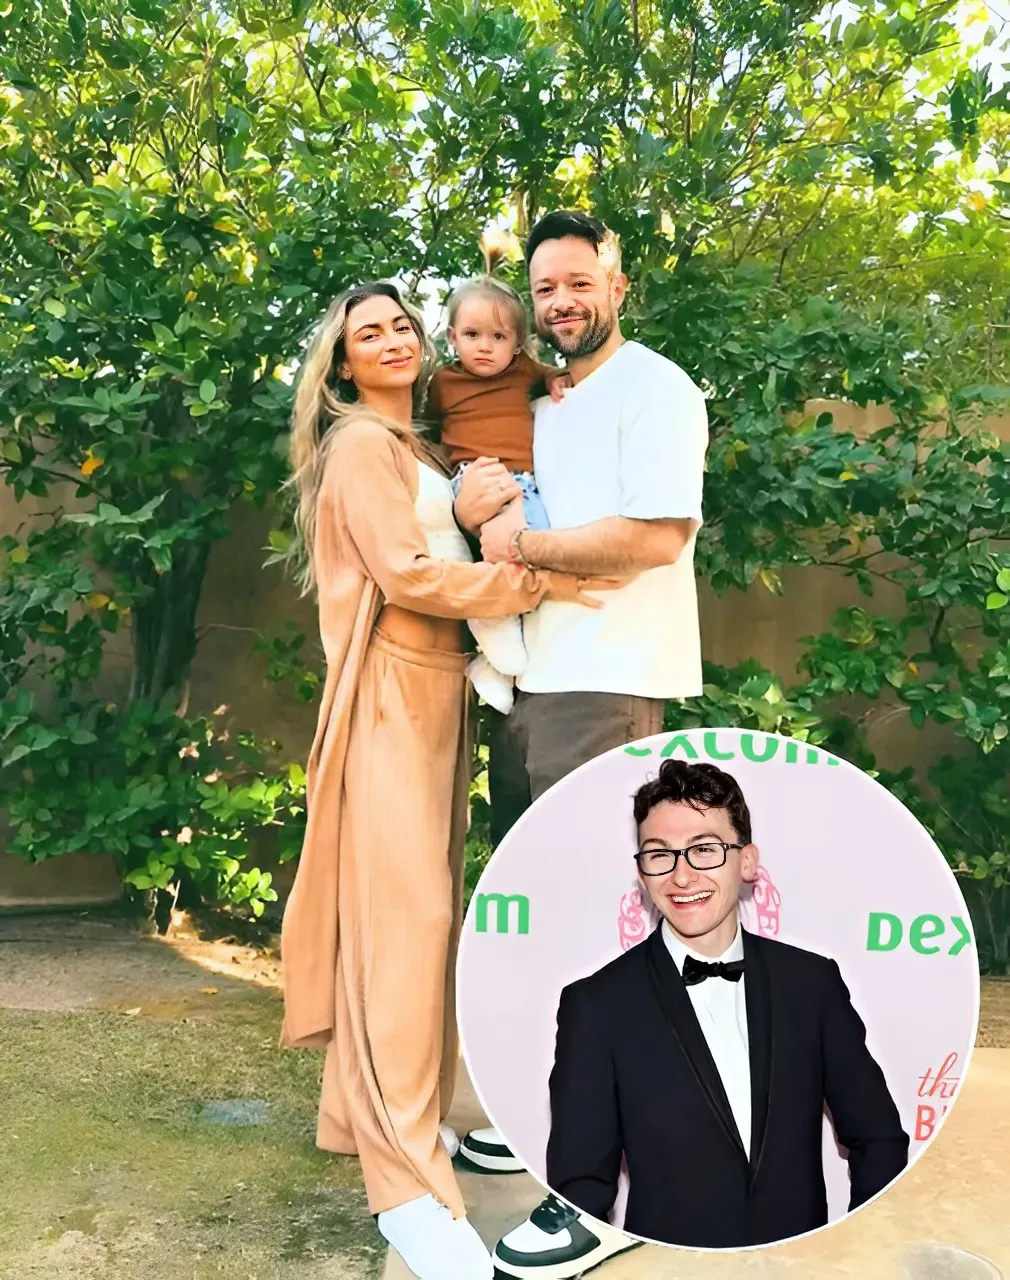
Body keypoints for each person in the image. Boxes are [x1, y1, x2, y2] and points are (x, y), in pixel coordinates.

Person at [278, 280, 614, 1280]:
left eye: (398, 325)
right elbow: (407, 575)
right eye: (364, 331)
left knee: (415, 931)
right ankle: (408, 1193)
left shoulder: (417, 444)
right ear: (340, 362)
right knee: (401, 935)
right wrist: (534, 578)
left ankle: (371, 1116)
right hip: (388, 698)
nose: (388, 337)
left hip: (434, 699)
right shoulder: (359, 447)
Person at [451, 210, 708, 1268]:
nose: (560, 301)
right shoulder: (547, 400)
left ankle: (613, 1194)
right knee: (553, 936)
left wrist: (522, 547)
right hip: (535, 688)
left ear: (616, 283)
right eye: (544, 286)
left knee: (605, 944)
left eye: (577, 282)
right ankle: (550, 1121)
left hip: (606, 688)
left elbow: (654, 535)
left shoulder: (654, 387)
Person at [543, 759, 910, 1251]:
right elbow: (581, 1188)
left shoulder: (811, 984)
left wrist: (858, 1248)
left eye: (704, 850)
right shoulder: (596, 1005)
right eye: (660, 855)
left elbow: (878, 1138)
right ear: (641, 871)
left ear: (748, 860)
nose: (682, 875)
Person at [428, 233, 571, 716]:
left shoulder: (523, 370)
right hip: (476, 476)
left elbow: (554, 372)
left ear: (517, 343)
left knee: (539, 555)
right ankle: (493, 644)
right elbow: (425, 431)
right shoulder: (443, 384)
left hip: (524, 482)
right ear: (451, 338)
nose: (485, 348)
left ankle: (492, 662)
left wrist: (556, 380)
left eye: (498, 337)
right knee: (503, 555)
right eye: (472, 336)